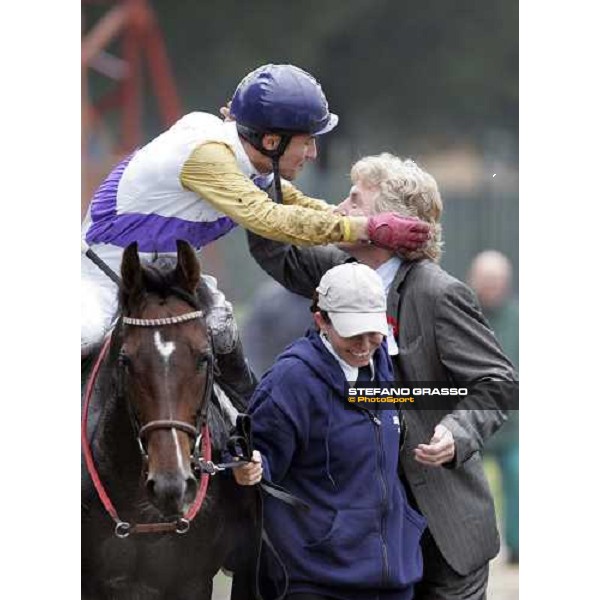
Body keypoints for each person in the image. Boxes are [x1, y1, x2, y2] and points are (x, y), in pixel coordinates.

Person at [246, 153, 518, 599]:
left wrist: (455, 430)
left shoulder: (438, 292)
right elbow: (275, 246)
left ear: (393, 221)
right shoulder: (338, 270)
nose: (339, 210)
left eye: (355, 200)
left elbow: (499, 382)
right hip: (368, 534)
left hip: (442, 528)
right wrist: (259, 158)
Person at [81, 64, 430, 404]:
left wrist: (366, 226)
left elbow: (298, 204)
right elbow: (270, 218)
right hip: (102, 277)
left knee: (223, 329)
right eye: (307, 141)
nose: (312, 153)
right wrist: (369, 228)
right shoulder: (209, 155)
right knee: (85, 336)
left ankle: (245, 434)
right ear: (271, 140)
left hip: (169, 277)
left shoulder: (251, 158)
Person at [235, 263, 427, 600]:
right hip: (315, 580)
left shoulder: (387, 366)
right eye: (353, 333)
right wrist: (249, 465)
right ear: (321, 320)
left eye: (374, 331)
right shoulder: (290, 380)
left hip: (392, 580)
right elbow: (255, 460)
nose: (366, 345)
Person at [468, 250, 519, 565]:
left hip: (512, 423)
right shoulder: (463, 313)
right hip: (469, 419)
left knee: (519, 474)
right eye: (486, 280)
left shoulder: (520, 317)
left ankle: (519, 544)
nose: (492, 286)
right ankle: (471, 546)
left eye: (497, 280)